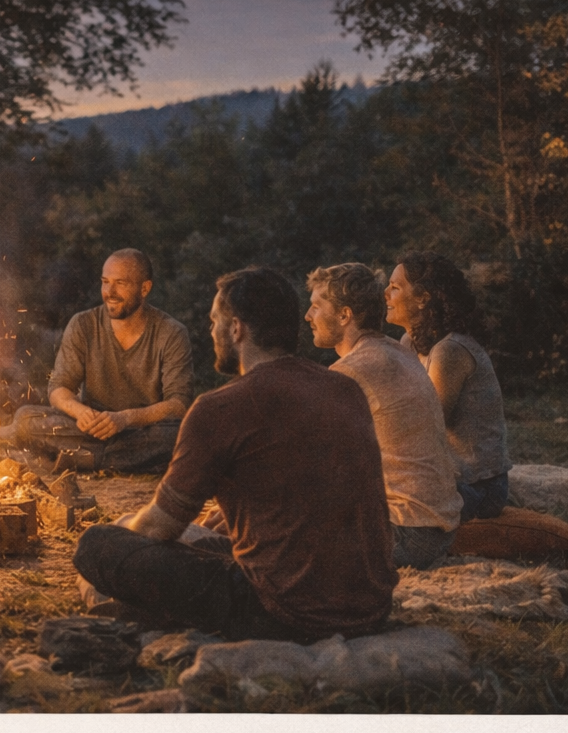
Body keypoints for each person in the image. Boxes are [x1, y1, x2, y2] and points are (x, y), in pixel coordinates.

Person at [72, 267, 396, 641]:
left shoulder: (220, 408)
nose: (211, 332)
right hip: (369, 606)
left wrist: (124, 535)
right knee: (206, 545)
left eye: (214, 322)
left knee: (97, 545)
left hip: (286, 613)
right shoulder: (344, 389)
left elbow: (160, 526)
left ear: (237, 329)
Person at [306, 263, 462, 569]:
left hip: (405, 533)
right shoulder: (396, 351)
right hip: (436, 526)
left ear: (344, 315)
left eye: (315, 307)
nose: (308, 316)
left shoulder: (353, 369)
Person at [4, 249, 194, 472]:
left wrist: (125, 419)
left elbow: (178, 405)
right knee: (26, 419)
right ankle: (119, 461)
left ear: (145, 288)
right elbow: (59, 388)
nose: (109, 292)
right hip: (89, 430)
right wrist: (80, 412)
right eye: (105, 282)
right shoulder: (83, 324)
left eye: (120, 283)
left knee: (183, 434)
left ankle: (84, 458)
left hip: (143, 431)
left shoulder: (171, 333)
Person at [385, 251, 511, 521]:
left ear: (423, 299)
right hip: (442, 477)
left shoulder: (450, 350)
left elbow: (429, 426)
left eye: (395, 287)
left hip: (478, 486)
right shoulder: (409, 341)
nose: (385, 294)